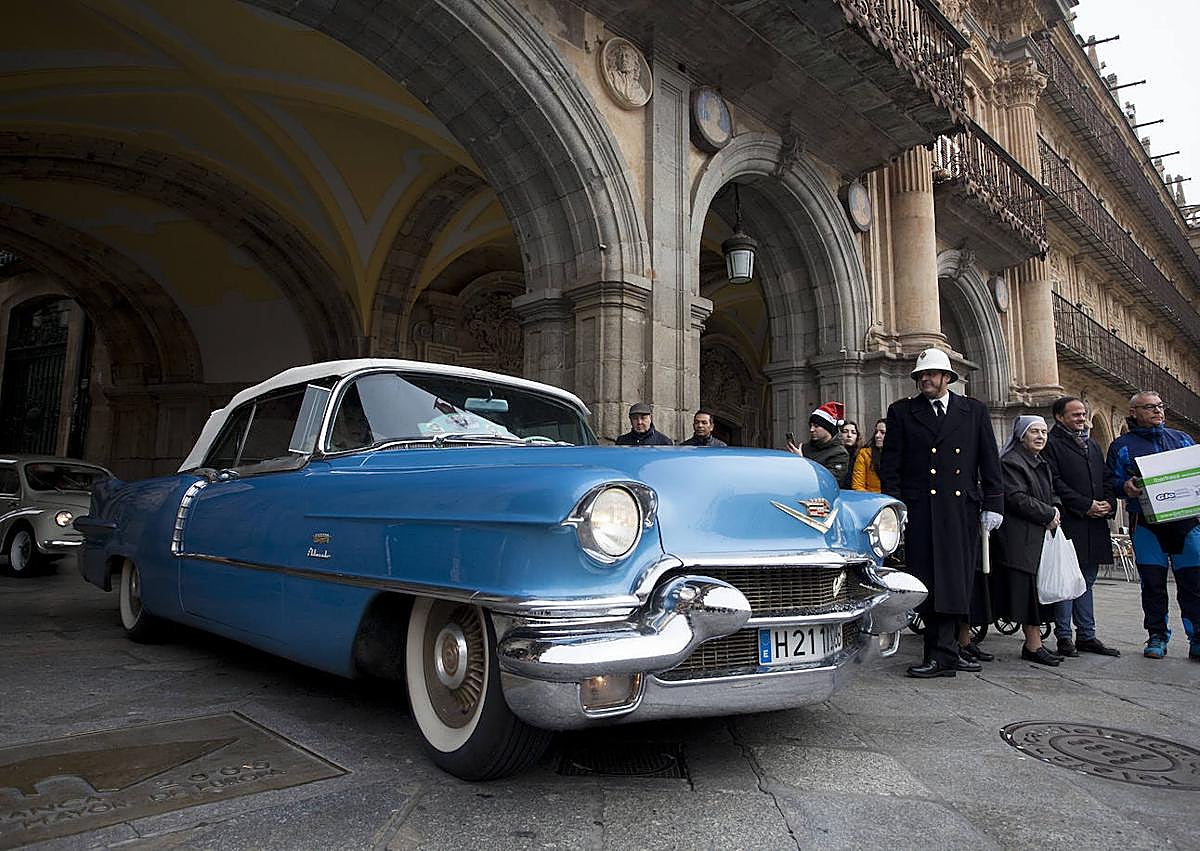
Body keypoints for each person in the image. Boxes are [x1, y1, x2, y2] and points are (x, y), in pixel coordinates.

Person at [880, 347, 1003, 678]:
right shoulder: (902, 412)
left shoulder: (973, 410)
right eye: (920, 375)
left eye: (931, 374)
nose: (925, 380)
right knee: (929, 580)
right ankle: (937, 651)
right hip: (922, 511)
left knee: (958, 581)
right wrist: (894, 508)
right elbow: (890, 466)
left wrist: (994, 502)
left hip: (960, 509)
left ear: (948, 377)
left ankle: (950, 650)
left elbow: (988, 459)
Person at [1106, 390, 1200, 661]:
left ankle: (1197, 637)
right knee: (1153, 583)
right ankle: (1157, 635)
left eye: (1159, 406)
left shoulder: (1183, 439)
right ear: (1134, 413)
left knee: (1193, 581)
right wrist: (1124, 487)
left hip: (1186, 523)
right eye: (1149, 408)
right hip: (1146, 524)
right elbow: (1111, 481)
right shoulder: (1122, 446)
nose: (1157, 411)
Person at [1043, 396, 1120, 657]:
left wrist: (1109, 503)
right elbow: (1055, 482)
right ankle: (1064, 636)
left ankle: (1087, 634)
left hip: (1095, 524)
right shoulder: (1051, 445)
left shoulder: (1093, 445)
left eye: (1083, 414)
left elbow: (1107, 478)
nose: (1082, 419)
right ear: (1059, 417)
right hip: (1071, 522)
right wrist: (1085, 504)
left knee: (1087, 580)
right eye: (1075, 415)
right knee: (1067, 580)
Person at [989, 416, 1063, 666]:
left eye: (1044, 432)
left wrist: (1056, 508)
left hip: (1038, 534)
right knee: (1028, 593)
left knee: (1036, 591)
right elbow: (1016, 497)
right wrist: (1048, 513)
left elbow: (1051, 493)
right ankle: (1032, 644)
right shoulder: (1011, 462)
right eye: (1035, 432)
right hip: (1019, 537)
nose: (1041, 436)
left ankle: (1036, 643)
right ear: (1021, 436)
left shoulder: (1040, 461)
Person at [787, 401, 850, 486]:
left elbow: (829, 481)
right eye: (811, 425)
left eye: (816, 426)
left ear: (828, 429)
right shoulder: (804, 448)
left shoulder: (839, 454)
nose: (811, 429)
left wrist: (802, 462)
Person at [850, 419, 885, 493]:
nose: (877, 436)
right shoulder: (864, 454)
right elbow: (857, 486)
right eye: (876, 432)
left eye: (883, 432)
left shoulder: (902, 455)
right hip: (873, 500)